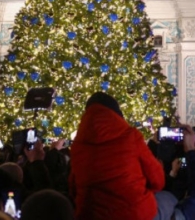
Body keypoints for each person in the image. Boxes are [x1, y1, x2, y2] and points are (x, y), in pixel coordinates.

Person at [69, 92, 166, 220]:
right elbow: (158, 181)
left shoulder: (77, 146)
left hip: (90, 215)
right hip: (135, 215)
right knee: (169, 199)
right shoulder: (131, 136)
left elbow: (73, 187)